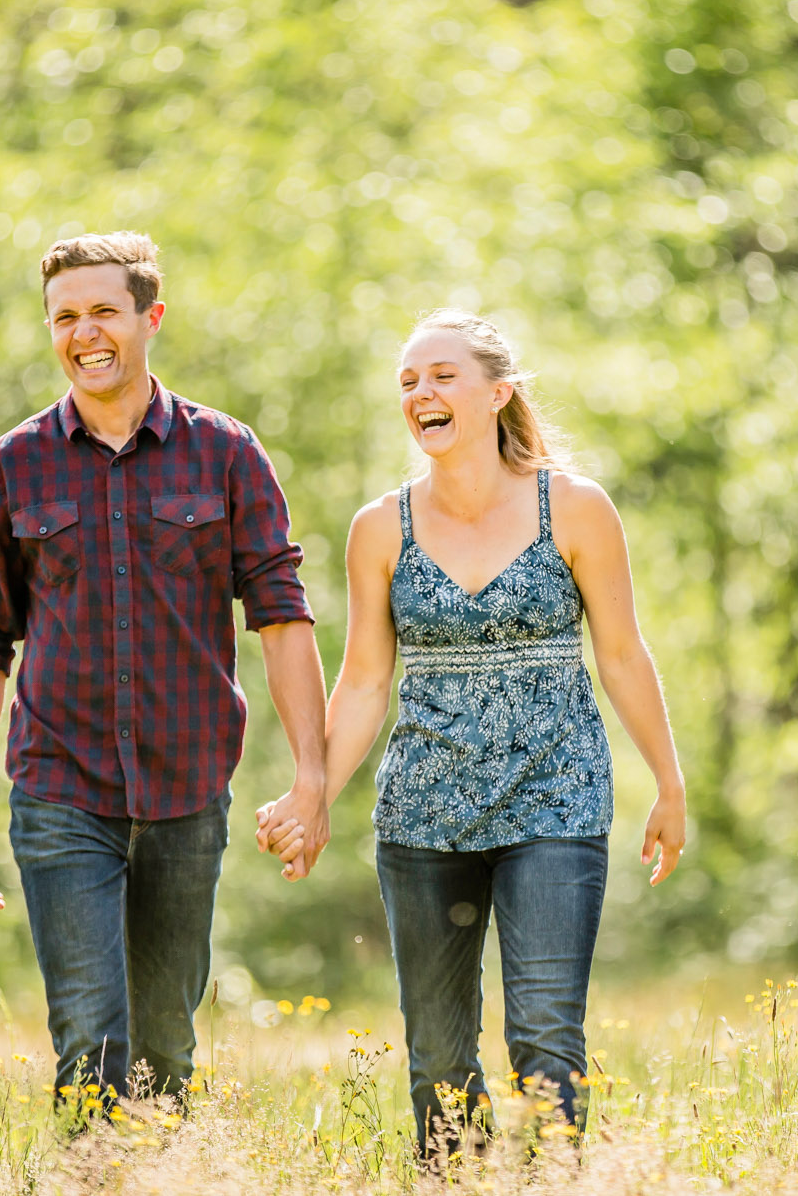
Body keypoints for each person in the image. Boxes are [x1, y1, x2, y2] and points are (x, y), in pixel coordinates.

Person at [258, 310, 686, 1155]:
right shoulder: (382, 528)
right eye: (409, 381)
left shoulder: (576, 508)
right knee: (439, 1066)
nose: (422, 393)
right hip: (423, 816)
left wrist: (670, 784)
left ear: (499, 393)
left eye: (442, 375)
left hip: (556, 803)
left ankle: (554, 1177)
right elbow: (366, 681)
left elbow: (624, 656)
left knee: (548, 1047)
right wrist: (311, 794)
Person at [0, 232, 329, 1109]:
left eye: (104, 311)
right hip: (58, 788)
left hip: (188, 789)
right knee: (90, 1037)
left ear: (150, 318)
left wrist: (312, 777)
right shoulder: (12, 464)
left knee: (163, 1044)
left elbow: (280, 614)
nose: (85, 333)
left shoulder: (226, 453)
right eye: (65, 316)